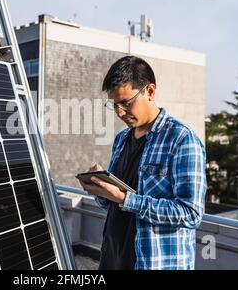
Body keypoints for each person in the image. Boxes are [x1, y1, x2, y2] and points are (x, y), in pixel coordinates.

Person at [78, 56, 207, 270]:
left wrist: (126, 199)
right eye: (115, 105)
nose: (120, 112)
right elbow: (115, 204)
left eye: (127, 103)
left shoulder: (182, 139)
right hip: (112, 258)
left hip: (152, 264)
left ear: (150, 91)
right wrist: (102, 189)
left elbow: (191, 213)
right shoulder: (121, 140)